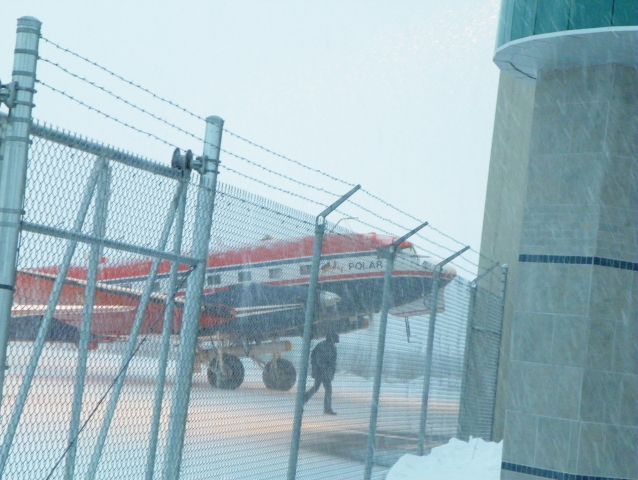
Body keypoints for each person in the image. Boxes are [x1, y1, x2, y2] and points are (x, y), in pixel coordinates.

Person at [304, 332, 339, 415]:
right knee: (326, 389)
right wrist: (324, 368)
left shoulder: (330, 347)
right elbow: (318, 359)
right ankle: (327, 408)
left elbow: (332, 363)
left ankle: (303, 400)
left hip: (324, 372)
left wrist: (330, 371)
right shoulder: (323, 346)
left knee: (317, 388)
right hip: (321, 371)